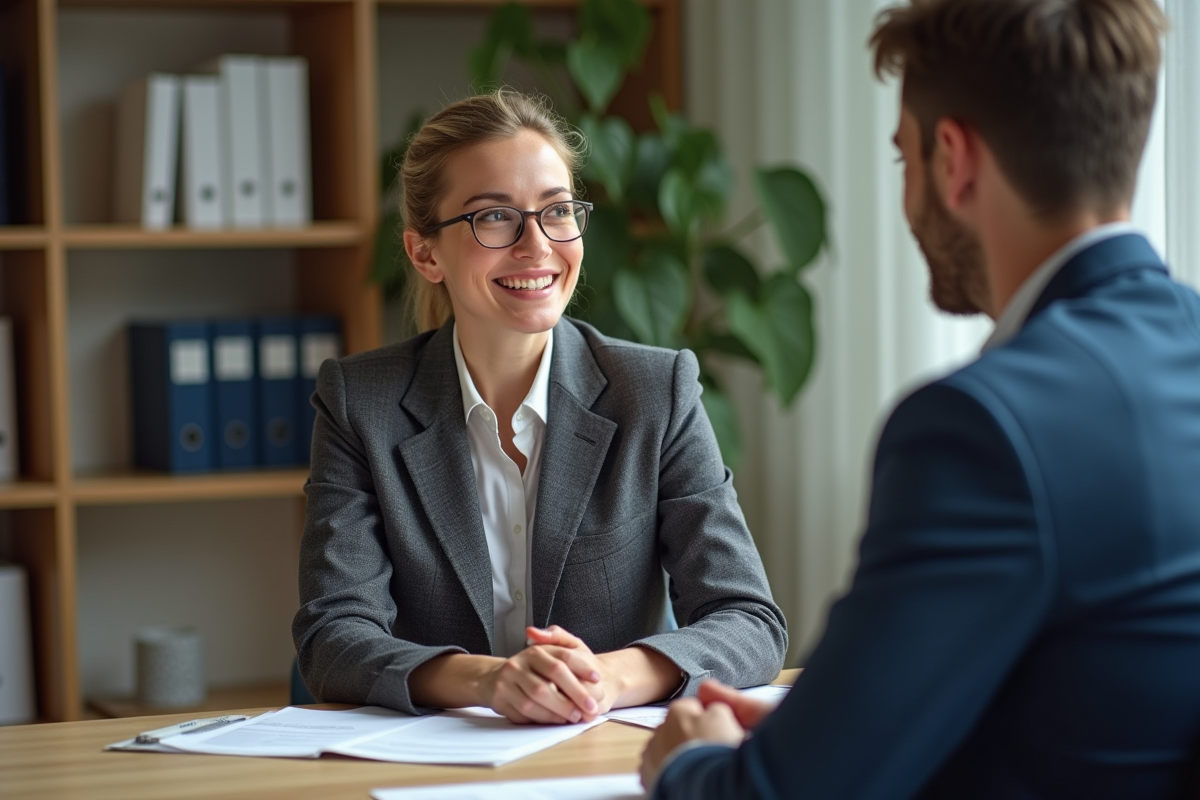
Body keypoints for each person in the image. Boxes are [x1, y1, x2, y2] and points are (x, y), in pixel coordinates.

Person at [641, 0, 1200, 797]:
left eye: (904, 159)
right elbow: (1103, 697)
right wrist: (831, 732)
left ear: (953, 158)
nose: (908, 198)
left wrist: (693, 762)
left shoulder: (985, 429)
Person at [292, 89, 787, 725]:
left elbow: (748, 620)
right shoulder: (363, 402)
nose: (537, 245)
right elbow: (332, 635)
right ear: (425, 253)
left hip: (603, 753)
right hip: (438, 767)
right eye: (494, 217)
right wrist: (491, 681)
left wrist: (607, 675)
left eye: (557, 211)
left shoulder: (655, 391)